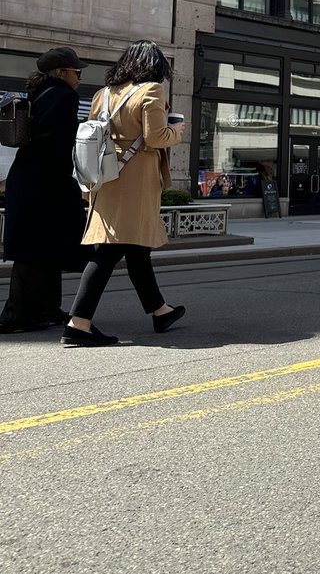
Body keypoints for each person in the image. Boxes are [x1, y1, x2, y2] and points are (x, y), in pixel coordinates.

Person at [62, 41, 185, 347]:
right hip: (135, 181)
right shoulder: (151, 91)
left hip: (105, 177)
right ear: (154, 67)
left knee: (136, 249)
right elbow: (157, 137)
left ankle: (160, 311)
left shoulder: (103, 93)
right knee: (108, 251)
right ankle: (79, 324)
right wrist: (177, 132)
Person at [0, 47, 88, 333]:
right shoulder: (64, 95)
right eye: (77, 72)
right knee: (35, 250)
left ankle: (45, 309)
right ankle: (17, 315)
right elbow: (63, 142)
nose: (79, 77)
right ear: (62, 73)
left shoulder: (38, 93)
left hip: (30, 178)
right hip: (46, 182)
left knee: (43, 248)